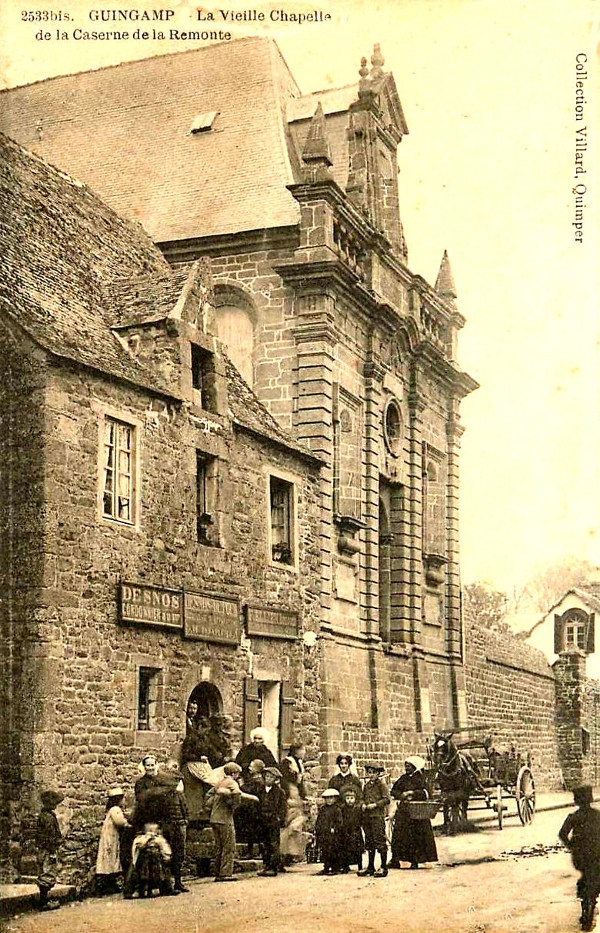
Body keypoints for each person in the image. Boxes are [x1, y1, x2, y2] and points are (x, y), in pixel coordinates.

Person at [208, 762, 258, 883]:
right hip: (225, 818)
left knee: (219, 847)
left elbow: (208, 795)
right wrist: (249, 798)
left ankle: (217, 872)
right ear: (234, 773)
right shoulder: (232, 782)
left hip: (214, 818)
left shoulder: (219, 782)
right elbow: (237, 792)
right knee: (229, 846)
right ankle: (225, 873)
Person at [559, 785, 600, 931]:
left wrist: (571, 847)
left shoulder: (574, 817)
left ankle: (585, 905)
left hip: (580, 856)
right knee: (595, 877)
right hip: (596, 855)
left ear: (576, 801)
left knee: (585, 875)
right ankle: (591, 902)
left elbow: (562, 834)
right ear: (590, 799)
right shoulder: (597, 815)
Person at [389, 756, 438, 870]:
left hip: (417, 813)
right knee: (399, 835)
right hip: (404, 812)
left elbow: (426, 793)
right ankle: (395, 859)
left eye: (409, 766)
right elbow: (394, 790)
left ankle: (415, 861)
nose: (407, 768)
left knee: (416, 837)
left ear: (415, 767)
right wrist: (401, 795)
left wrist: (412, 793)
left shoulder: (421, 779)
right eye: (406, 766)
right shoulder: (403, 778)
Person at [125, 822, 176, 899]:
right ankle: (163, 888)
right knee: (153, 864)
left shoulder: (147, 839)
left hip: (149, 862)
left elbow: (165, 850)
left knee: (153, 863)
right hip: (146, 862)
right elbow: (166, 851)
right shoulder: (147, 839)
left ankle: (163, 888)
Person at [160, 761, 190, 893]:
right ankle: (167, 884)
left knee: (179, 854)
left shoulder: (179, 795)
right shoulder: (163, 796)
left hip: (180, 825)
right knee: (167, 854)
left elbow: (185, 809)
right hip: (168, 826)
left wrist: (184, 821)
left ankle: (178, 882)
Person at [95, 787, 130, 894]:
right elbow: (120, 822)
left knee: (111, 859)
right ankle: (107, 884)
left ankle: (110, 883)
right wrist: (128, 823)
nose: (124, 801)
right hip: (110, 838)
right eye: (123, 799)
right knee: (110, 859)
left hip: (112, 836)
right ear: (118, 799)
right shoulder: (115, 809)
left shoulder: (112, 810)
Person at [358, 763, 390, 878]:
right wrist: (362, 804)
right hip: (367, 817)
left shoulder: (382, 785)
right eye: (369, 772)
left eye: (373, 773)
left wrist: (375, 805)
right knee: (369, 841)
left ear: (378, 773)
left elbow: (386, 799)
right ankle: (370, 867)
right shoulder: (366, 786)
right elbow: (362, 797)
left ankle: (383, 867)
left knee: (379, 841)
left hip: (377, 816)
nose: (371, 775)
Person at [34, 789, 64, 911]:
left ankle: (43, 900)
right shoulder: (48, 818)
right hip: (48, 849)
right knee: (47, 874)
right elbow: (50, 836)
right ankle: (43, 901)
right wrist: (52, 851)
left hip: (43, 849)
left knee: (44, 873)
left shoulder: (44, 816)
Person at [257, 767, 287, 877]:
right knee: (264, 844)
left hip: (273, 821)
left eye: (271, 777)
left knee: (274, 844)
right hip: (262, 820)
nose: (268, 779)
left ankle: (273, 867)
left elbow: (283, 808)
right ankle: (266, 865)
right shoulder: (259, 790)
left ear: (275, 779)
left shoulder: (279, 792)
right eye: (267, 776)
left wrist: (280, 819)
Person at [235, 759, 265, 858]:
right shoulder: (253, 779)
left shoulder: (259, 781)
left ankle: (257, 852)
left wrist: (241, 785)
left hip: (256, 809)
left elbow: (252, 792)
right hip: (250, 809)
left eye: (252, 766)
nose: (249, 768)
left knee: (255, 831)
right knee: (250, 831)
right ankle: (251, 851)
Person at [315, 789, 344, 875]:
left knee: (333, 850)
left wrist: (334, 828)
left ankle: (335, 867)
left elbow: (339, 821)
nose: (329, 800)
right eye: (327, 798)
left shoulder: (337, 809)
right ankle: (326, 867)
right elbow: (319, 820)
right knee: (325, 850)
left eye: (331, 798)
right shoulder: (323, 809)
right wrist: (317, 828)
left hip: (333, 834)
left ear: (335, 799)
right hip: (324, 832)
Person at [339, 788, 364, 873]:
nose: (350, 801)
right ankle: (346, 866)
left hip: (355, 830)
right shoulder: (342, 809)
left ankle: (360, 866)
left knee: (358, 849)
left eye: (352, 798)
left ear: (355, 799)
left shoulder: (357, 809)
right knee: (345, 848)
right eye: (348, 798)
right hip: (346, 830)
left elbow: (361, 819)